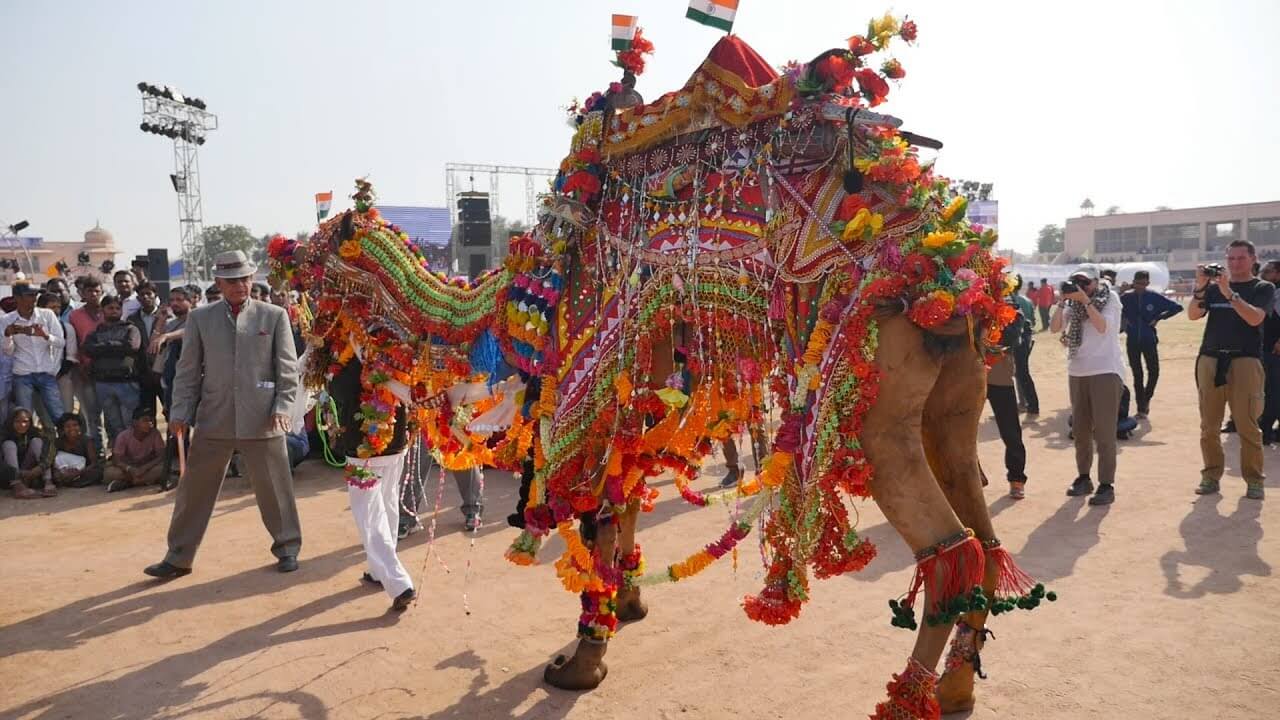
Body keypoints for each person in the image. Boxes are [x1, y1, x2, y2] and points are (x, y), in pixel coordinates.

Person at [144, 250, 301, 579]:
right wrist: (180, 413)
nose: (240, 286)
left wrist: (282, 407)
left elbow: (287, 371)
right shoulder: (201, 319)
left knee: (275, 487)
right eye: (231, 281)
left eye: (244, 278)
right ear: (218, 282)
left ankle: (287, 547)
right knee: (194, 491)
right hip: (214, 417)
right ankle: (178, 557)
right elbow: (187, 373)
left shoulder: (273, 316)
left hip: (263, 417)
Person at [328, 351, 416, 611]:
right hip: (395, 441)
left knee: (369, 515)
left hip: (365, 447)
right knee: (386, 504)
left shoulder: (354, 351)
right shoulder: (396, 345)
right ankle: (379, 571)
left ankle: (398, 582)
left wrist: (333, 369)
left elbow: (341, 391)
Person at [1187, 240, 1273, 501]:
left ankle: (1254, 480)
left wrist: (1230, 293)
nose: (1235, 263)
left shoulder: (1262, 287)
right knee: (1209, 425)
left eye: (1241, 258)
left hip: (1245, 361)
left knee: (1247, 424)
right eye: (1231, 258)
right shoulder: (1213, 290)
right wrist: (1202, 287)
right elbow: (1192, 314)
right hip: (1211, 359)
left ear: (1252, 259)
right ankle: (1211, 476)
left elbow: (1255, 318)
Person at [1051, 268, 1125, 506]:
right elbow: (1054, 328)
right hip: (1078, 370)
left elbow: (1103, 327)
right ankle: (1084, 477)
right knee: (1080, 431)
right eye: (1077, 282)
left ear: (1096, 281)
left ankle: (1106, 484)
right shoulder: (1072, 305)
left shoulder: (1109, 298)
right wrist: (1062, 302)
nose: (1081, 286)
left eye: (1086, 282)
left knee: (1104, 432)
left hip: (1105, 371)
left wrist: (1086, 300)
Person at [2, 282, 67, 426]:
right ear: (17, 298)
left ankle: (66, 447)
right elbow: (7, 351)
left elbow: (61, 343)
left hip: (46, 373)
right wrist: (8, 335)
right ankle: (30, 447)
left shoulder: (47, 315)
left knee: (59, 415)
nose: (34, 298)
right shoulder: (6, 320)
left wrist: (45, 335)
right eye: (30, 295)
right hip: (22, 375)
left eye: (35, 295)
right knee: (25, 419)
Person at [1119, 270, 1183, 417]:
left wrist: (1159, 317)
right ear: (1133, 283)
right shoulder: (1126, 298)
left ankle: (1146, 399)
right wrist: (1120, 291)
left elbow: (1177, 307)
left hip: (1149, 340)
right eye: (1137, 284)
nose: (1140, 287)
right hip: (1133, 340)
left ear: (1148, 283)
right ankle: (1141, 407)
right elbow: (1112, 305)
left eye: (1143, 283)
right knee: (1137, 374)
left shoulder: (1153, 297)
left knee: (1154, 371)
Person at [82, 295, 142, 450]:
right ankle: (119, 456)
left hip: (127, 383)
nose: (114, 311)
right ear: (103, 310)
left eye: (117, 308)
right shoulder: (94, 333)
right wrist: (116, 347)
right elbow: (88, 349)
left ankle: (134, 454)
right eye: (110, 308)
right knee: (113, 424)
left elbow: (131, 347)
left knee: (131, 423)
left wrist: (103, 347)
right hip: (103, 383)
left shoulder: (131, 328)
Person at [989, 300, 1029, 498]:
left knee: (1010, 431)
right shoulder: (961, 302)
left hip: (998, 377)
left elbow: (1010, 337)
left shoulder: (1011, 308)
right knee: (960, 432)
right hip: (966, 378)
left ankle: (1017, 479)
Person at [68, 276, 107, 453]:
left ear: (102, 292)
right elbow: (73, 342)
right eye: (89, 291)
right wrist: (80, 366)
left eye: (96, 291)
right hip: (86, 371)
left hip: (110, 371)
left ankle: (116, 451)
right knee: (92, 415)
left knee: (114, 415)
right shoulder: (75, 315)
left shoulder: (110, 311)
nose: (93, 294)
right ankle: (98, 452)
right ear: (82, 294)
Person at [127, 282, 168, 416]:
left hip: (164, 372)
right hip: (143, 374)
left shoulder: (167, 316)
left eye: (148, 294)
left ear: (155, 295)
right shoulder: (132, 319)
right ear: (137, 298)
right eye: (141, 295)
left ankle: (174, 438)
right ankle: (152, 438)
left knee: (171, 412)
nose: (145, 297)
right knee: (146, 414)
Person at [104, 407, 166, 492]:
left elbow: (161, 456)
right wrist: (130, 469)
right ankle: (144, 481)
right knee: (109, 473)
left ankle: (128, 483)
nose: (150, 424)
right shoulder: (123, 436)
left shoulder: (155, 433)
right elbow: (116, 459)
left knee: (164, 468)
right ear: (135, 422)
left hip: (147, 466)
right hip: (128, 469)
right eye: (145, 421)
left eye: (151, 420)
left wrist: (144, 468)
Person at [39, 292, 79, 418]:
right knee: (44, 415)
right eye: (52, 307)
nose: (56, 311)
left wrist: (57, 373)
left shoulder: (67, 328)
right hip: (38, 377)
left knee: (66, 412)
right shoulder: (33, 329)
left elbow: (70, 356)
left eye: (58, 307)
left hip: (62, 376)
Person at [2, 407, 53, 499]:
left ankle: (48, 481)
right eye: (17, 421)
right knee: (9, 444)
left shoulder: (34, 432)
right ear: (11, 422)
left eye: (25, 421)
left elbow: (50, 450)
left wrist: (41, 466)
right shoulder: (3, 434)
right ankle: (17, 485)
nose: (22, 425)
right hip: (8, 475)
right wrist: (18, 473)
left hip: (30, 473)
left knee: (37, 441)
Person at [1257, 261, 1280, 445]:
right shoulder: (1266, 291)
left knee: (1272, 392)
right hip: (1265, 348)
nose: (1263, 273)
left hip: (1275, 350)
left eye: (1267, 271)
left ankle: (1264, 430)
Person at [1010, 275, 1039, 415]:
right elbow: (1033, 321)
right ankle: (1026, 403)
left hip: (1018, 340)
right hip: (1027, 339)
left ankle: (1027, 404)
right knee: (1021, 372)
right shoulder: (1027, 300)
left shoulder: (1012, 300)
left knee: (1021, 373)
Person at [50, 412, 103, 488]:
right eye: (67, 426)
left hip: (83, 471)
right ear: (62, 429)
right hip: (64, 471)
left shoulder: (87, 440)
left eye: (75, 425)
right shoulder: (58, 442)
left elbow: (93, 463)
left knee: (98, 472)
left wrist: (78, 473)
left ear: (80, 427)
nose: (72, 429)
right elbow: (52, 461)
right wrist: (60, 472)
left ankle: (71, 483)